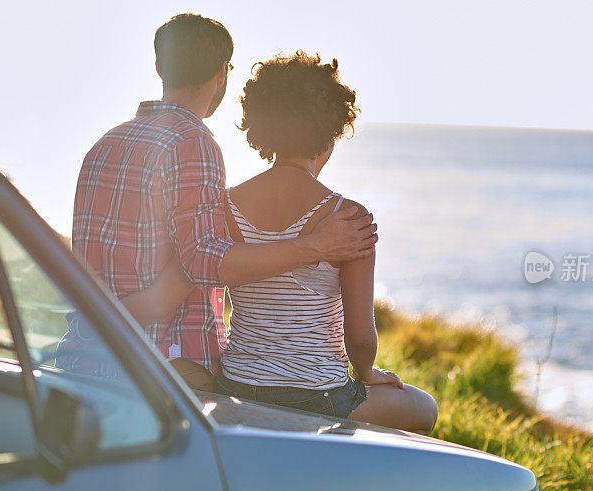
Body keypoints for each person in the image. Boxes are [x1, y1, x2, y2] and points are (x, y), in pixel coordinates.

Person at [128, 52, 437, 434]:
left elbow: (178, 282)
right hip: (319, 396)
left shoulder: (222, 207)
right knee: (425, 408)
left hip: (239, 387)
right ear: (332, 127)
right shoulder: (348, 218)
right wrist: (368, 371)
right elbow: (359, 337)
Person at [72, 14, 377, 388]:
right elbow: (203, 261)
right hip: (165, 367)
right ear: (222, 73)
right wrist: (315, 245)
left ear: (158, 67)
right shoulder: (193, 142)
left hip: (86, 356)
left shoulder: (103, 146)